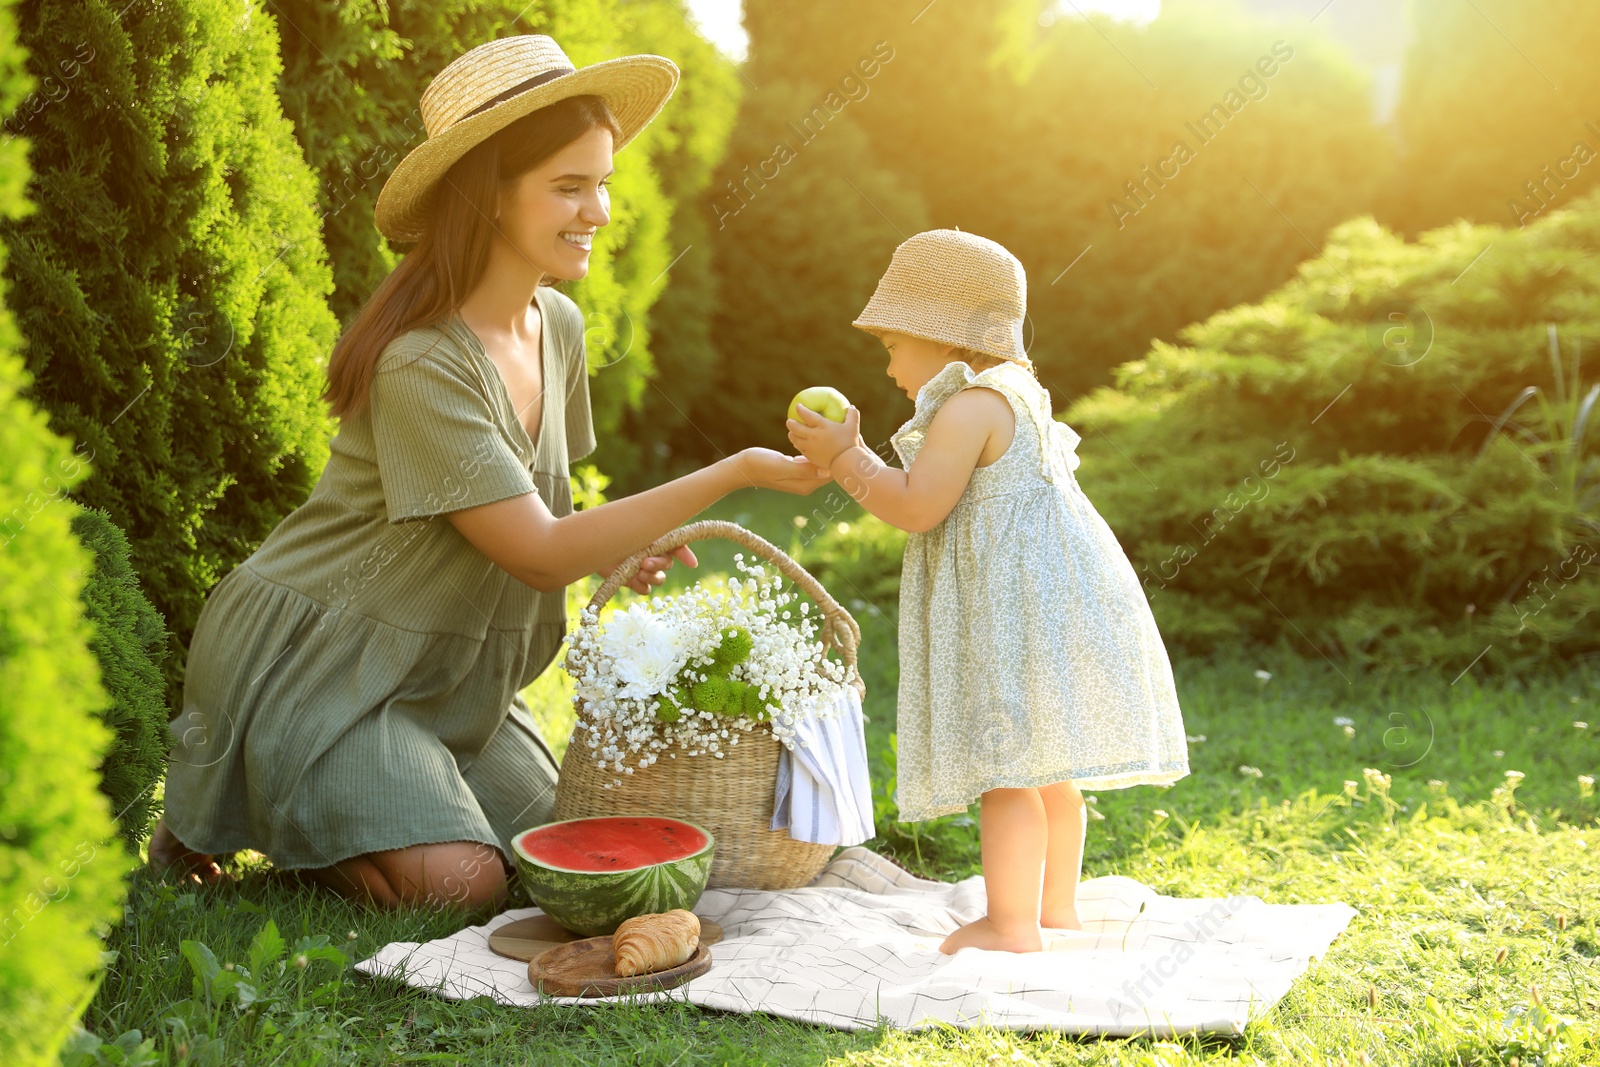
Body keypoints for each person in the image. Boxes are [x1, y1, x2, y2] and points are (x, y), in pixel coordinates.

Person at [149, 35, 831, 909]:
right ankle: (250, 783)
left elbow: (547, 505)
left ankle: (327, 795)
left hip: (449, 681)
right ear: (489, 195)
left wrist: (630, 539)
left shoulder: (559, 328)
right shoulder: (421, 363)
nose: (602, 212)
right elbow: (542, 552)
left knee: (568, 845)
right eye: (569, 186)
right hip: (326, 664)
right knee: (467, 885)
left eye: (605, 181)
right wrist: (730, 471)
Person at [787, 229, 1190, 953]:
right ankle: (1053, 908)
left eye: (892, 345)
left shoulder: (970, 408)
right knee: (1047, 769)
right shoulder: (1018, 394)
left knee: (1006, 772)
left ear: (940, 336)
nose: (887, 367)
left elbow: (916, 505)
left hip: (1011, 616)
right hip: (1048, 608)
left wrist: (846, 458)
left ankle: (1010, 925)